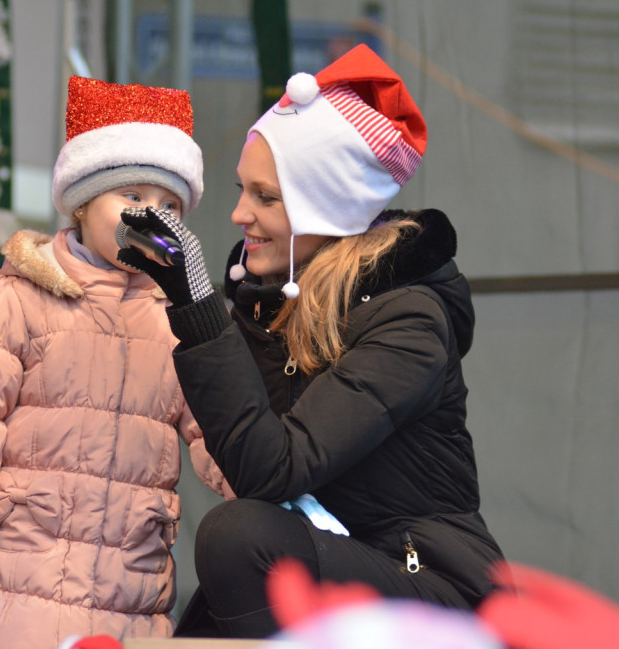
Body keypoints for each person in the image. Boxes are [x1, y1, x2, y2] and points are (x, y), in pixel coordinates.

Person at [116, 44, 505, 638]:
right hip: (333, 563)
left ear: (329, 202)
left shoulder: (409, 321)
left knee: (238, 537)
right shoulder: (274, 298)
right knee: (219, 586)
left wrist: (200, 310)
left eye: (266, 197)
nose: (239, 214)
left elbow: (273, 469)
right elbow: (247, 457)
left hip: (434, 590)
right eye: (243, 190)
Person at [0, 75, 230, 649]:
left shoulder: (176, 319)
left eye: (168, 206)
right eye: (132, 199)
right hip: (21, 568)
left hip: (129, 581)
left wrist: (275, 488)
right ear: (84, 203)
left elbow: (216, 427)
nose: (152, 218)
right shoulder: (18, 296)